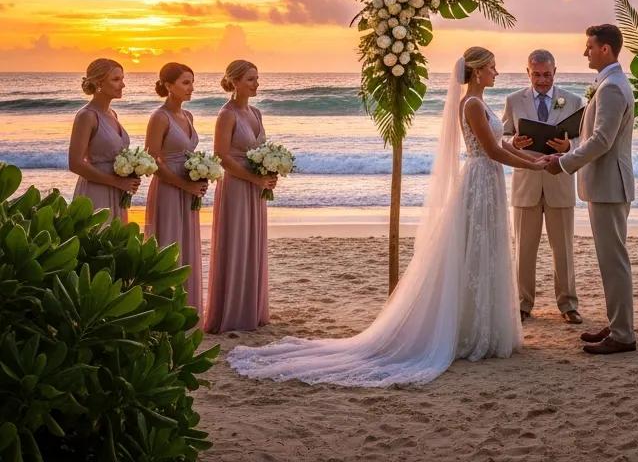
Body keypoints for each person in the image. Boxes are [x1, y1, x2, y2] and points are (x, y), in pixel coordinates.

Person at [227, 47, 548, 386]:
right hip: (481, 179)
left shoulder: (480, 104)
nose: (497, 73)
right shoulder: (470, 104)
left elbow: (503, 144)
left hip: (489, 178)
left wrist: (533, 156)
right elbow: (493, 151)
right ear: (479, 71)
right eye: (493, 68)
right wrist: (533, 164)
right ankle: (470, 330)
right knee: (475, 249)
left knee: (487, 251)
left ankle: (483, 325)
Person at [546, 24, 637, 355]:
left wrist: (565, 162)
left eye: (589, 47)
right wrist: (567, 149)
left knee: (614, 261)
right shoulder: (610, 84)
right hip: (606, 184)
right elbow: (594, 137)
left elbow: (602, 140)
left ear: (606, 50)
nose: (585, 52)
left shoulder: (612, 88)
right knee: (610, 259)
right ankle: (617, 324)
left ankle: (624, 334)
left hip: (609, 185)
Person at [502, 49, 584, 324]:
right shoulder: (513, 101)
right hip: (525, 182)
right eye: (536, 74)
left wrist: (569, 146)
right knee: (524, 248)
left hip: (559, 180)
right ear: (528, 72)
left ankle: (568, 304)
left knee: (563, 248)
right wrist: (513, 143)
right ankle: (523, 304)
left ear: (555, 72)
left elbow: (586, 140)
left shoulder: (572, 101)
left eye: (547, 74)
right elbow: (501, 135)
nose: (541, 80)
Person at [204, 59, 275, 333]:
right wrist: (254, 177)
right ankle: (232, 313)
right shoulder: (227, 114)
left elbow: (261, 150)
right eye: (250, 79)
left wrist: (270, 172)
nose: (256, 83)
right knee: (236, 242)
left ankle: (252, 309)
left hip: (257, 187)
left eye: (257, 78)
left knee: (253, 242)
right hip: (236, 185)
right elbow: (222, 155)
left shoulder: (256, 113)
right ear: (234, 82)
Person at [144, 62, 207, 311]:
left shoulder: (188, 116)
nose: (191, 88)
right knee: (169, 243)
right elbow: (152, 159)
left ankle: (186, 308)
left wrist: (201, 172)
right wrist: (183, 184)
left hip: (188, 189)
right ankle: (165, 308)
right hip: (169, 189)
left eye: (192, 82)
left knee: (187, 244)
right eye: (185, 82)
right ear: (168, 86)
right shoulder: (160, 117)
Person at [68, 58, 137, 224]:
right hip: (96, 191)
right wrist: (117, 182)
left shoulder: (113, 114)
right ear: (99, 83)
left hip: (117, 190)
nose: (122, 85)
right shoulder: (87, 116)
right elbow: (75, 163)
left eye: (122, 79)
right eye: (116, 79)